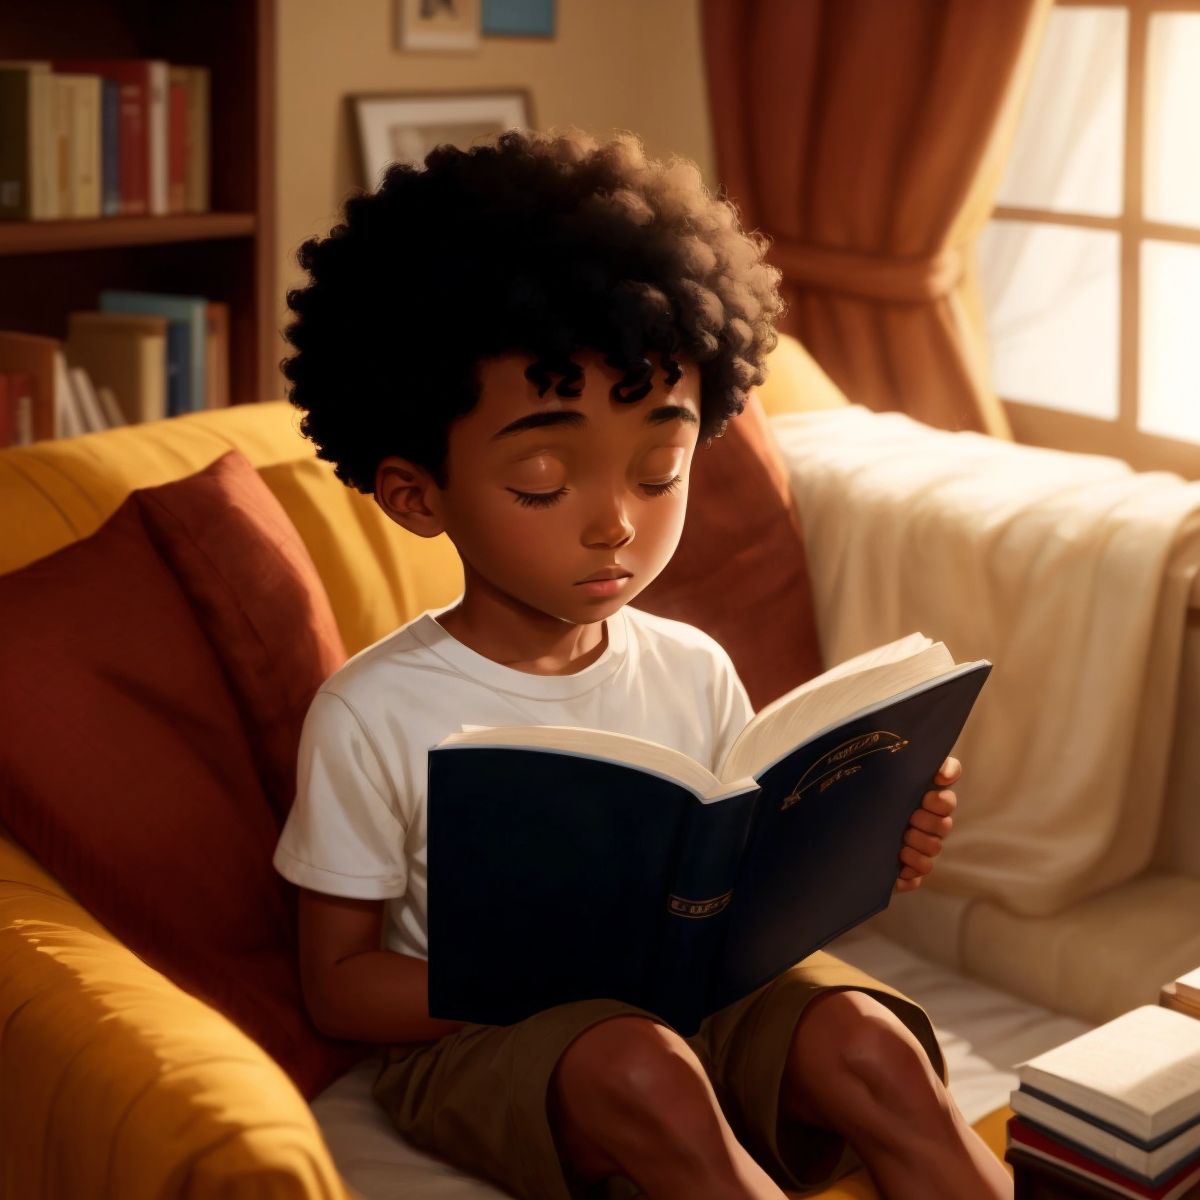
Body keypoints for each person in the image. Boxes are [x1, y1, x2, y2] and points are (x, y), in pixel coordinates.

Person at [272, 126, 1011, 1200]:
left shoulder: (693, 665)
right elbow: (338, 990)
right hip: (492, 1043)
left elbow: (740, 879)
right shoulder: (372, 711)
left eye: (659, 468)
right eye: (541, 479)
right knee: (643, 1069)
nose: (614, 524)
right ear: (415, 495)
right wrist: (580, 980)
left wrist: (871, 834)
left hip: (699, 998)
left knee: (871, 1045)